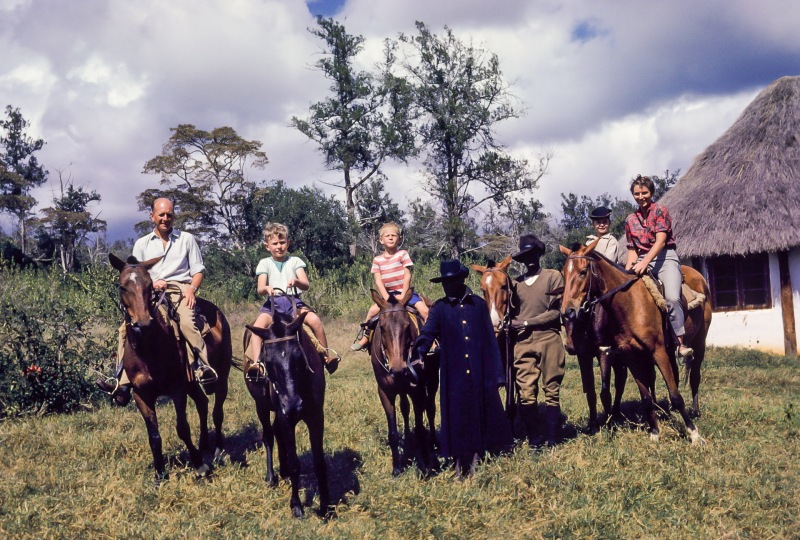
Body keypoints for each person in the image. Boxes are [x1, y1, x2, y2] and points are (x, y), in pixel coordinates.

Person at [96, 197, 217, 405]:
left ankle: (202, 367)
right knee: (124, 329)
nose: (165, 218)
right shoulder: (141, 244)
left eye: (169, 214)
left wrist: (191, 289)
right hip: (150, 291)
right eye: (161, 214)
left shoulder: (186, 239)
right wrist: (152, 283)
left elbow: (198, 270)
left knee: (187, 322)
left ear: (173, 216)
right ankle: (121, 381)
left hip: (180, 288)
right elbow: (134, 273)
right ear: (152, 216)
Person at [413, 259, 512, 479]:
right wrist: (418, 351)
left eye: (452, 280)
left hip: (480, 370)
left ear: (461, 279)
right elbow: (428, 333)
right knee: (457, 416)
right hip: (453, 373)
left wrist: (497, 374)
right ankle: (459, 461)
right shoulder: (439, 308)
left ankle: (477, 457)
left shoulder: (478, 305)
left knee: (480, 414)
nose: (448, 285)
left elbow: (489, 339)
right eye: (445, 282)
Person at [247, 222, 340, 377]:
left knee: (315, 320)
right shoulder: (265, 263)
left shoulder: (295, 261)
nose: (279, 247)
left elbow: (306, 285)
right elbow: (260, 288)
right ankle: (257, 364)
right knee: (257, 328)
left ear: (288, 243)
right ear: (267, 246)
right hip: (272, 305)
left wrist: (297, 282)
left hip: (293, 303)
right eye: (274, 243)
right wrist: (267, 289)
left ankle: (325, 356)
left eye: (282, 242)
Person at [624, 175, 693, 357]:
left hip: (665, 257)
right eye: (637, 194)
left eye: (644, 193)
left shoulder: (661, 211)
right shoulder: (630, 219)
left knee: (671, 297)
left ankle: (680, 343)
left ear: (651, 192)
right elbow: (632, 249)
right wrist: (628, 269)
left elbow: (661, 241)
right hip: (641, 259)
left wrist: (645, 262)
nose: (641, 197)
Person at [510, 234, 566, 448]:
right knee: (526, 392)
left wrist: (526, 323)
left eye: (532, 254)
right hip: (523, 343)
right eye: (525, 256)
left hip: (549, 338)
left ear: (539, 254)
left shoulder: (553, 276)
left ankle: (553, 437)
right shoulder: (516, 284)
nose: (529, 259)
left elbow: (556, 312)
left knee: (551, 390)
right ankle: (535, 438)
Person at [351, 222, 429, 351]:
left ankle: (430, 340)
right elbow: (378, 280)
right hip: (388, 295)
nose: (391, 237)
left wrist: (404, 295)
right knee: (371, 312)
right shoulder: (377, 260)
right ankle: (365, 337)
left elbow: (407, 275)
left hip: (405, 293)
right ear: (381, 240)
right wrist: (386, 297)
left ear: (399, 239)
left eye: (394, 235)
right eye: (387, 235)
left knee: (425, 311)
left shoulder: (403, 254)